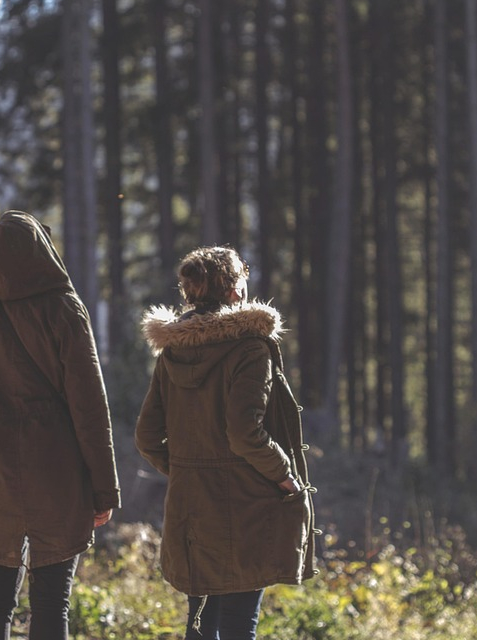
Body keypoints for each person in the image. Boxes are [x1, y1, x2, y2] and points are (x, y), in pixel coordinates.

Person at [0, 210, 121, 640]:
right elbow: (90, 409)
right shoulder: (66, 311)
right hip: (57, 473)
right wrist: (104, 488)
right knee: (51, 602)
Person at [135, 245, 315, 640]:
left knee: (200, 622)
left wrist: (187, 469)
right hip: (246, 502)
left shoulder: (171, 352)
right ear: (235, 290)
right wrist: (285, 477)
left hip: (191, 506)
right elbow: (244, 432)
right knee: (238, 625)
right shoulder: (250, 348)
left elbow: (147, 436)